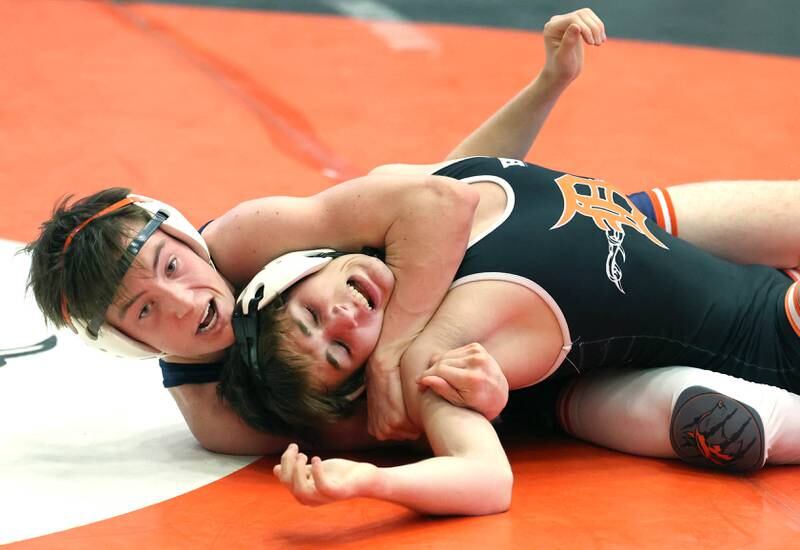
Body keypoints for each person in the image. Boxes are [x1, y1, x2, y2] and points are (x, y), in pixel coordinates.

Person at [24, 8, 615, 453]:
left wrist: (548, 84)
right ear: (131, 344)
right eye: (147, 313)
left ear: (183, 235)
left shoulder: (254, 237)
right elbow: (402, 424)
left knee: (698, 218)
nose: (185, 304)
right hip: (540, 372)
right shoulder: (221, 418)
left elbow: (441, 189)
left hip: (538, 246)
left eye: (173, 267)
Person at [226, 150, 800, 514]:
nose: (344, 320)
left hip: (756, 266)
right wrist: (370, 484)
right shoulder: (434, 359)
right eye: (341, 351)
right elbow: (486, 480)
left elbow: (456, 186)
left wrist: (551, 78)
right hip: (777, 343)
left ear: (300, 268)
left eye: (311, 314)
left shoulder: (407, 200)